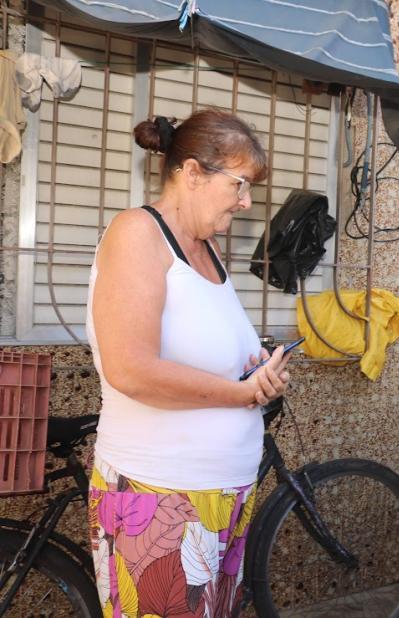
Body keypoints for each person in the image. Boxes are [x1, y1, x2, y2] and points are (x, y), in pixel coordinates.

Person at [85, 110, 292, 617]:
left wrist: (257, 367)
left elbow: (209, 353)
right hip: (159, 499)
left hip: (222, 494)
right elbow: (131, 369)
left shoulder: (208, 250)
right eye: (240, 185)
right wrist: (242, 393)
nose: (246, 202)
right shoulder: (137, 233)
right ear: (193, 173)